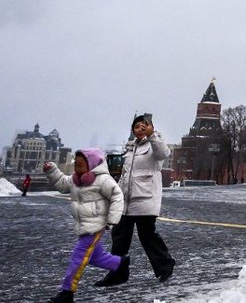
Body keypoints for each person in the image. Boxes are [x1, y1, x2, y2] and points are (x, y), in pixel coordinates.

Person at [95, 114, 175, 287]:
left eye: (143, 126)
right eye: (136, 126)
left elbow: (163, 154)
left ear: (151, 127)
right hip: (127, 200)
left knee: (147, 235)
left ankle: (165, 264)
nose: (140, 129)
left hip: (145, 198)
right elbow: (125, 176)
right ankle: (117, 273)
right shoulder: (131, 149)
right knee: (119, 236)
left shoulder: (155, 143)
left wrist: (153, 135)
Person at [43, 149, 129, 303]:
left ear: (91, 165)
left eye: (81, 165)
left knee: (78, 256)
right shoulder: (76, 179)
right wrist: (52, 170)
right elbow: (62, 184)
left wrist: (112, 219)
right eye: (76, 165)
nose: (77, 168)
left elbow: (117, 196)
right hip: (83, 226)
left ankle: (67, 293)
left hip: (95, 226)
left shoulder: (103, 180)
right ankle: (120, 263)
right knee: (96, 257)